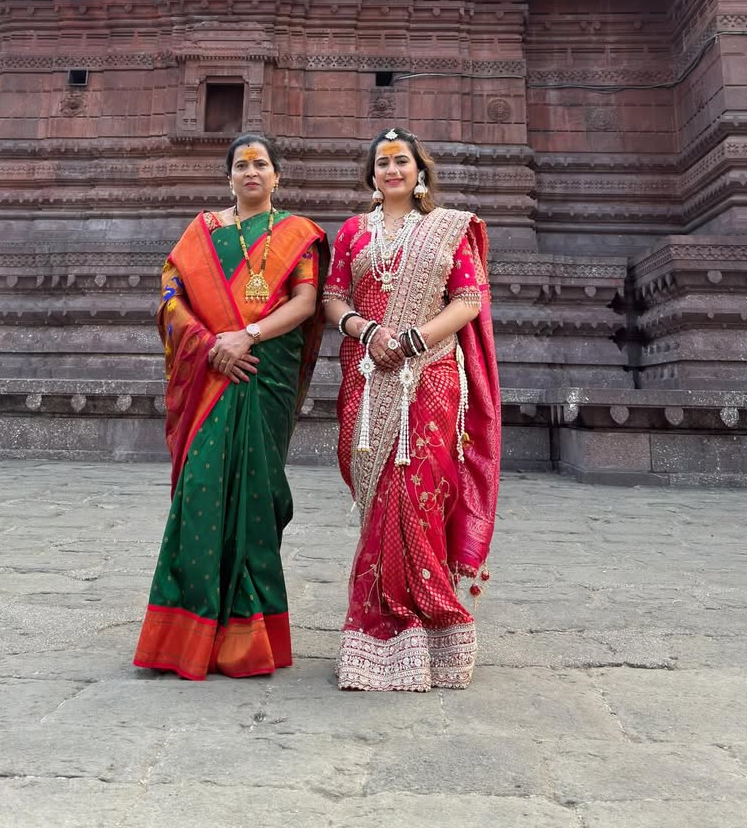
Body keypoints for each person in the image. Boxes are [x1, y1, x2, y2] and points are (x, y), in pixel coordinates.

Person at [133, 134, 327, 680]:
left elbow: (307, 303)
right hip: (211, 375)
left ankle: (248, 637)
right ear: (228, 177)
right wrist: (211, 346)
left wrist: (247, 336)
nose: (251, 172)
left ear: (277, 176)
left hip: (262, 376)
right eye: (241, 165)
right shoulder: (201, 234)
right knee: (199, 494)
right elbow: (171, 298)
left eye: (261, 164)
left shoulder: (297, 235)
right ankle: (182, 634)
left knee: (255, 502)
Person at [324, 127, 500, 691]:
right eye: (382, 162)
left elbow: (468, 301)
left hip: (429, 374)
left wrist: (414, 342)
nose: (392, 170)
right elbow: (333, 298)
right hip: (370, 373)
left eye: (401, 160)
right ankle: (377, 634)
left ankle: (431, 623)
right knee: (378, 493)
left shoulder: (446, 228)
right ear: (371, 175)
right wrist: (367, 330)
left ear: (419, 170)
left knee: (420, 491)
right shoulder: (352, 232)